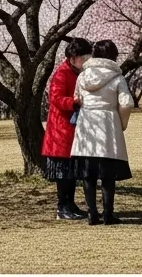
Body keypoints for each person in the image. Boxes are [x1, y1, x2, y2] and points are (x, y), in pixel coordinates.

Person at [70, 39, 135, 226]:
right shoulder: (117, 77)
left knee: (87, 174)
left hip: (87, 125)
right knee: (108, 175)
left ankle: (92, 214)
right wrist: (121, 123)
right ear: (113, 56)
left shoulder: (82, 76)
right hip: (108, 125)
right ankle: (108, 214)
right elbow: (127, 103)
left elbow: (77, 98)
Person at [41, 37, 91, 220]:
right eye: (83, 57)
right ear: (72, 58)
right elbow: (55, 99)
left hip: (72, 130)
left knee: (71, 173)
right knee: (64, 174)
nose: (86, 60)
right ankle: (63, 207)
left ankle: (70, 205)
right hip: (61, 132)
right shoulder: (62, 75)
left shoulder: (79, 73)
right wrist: (74, 102)